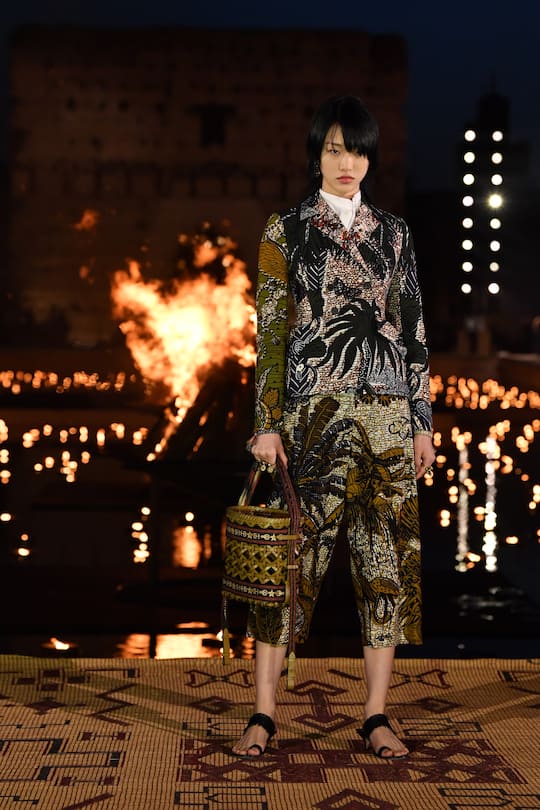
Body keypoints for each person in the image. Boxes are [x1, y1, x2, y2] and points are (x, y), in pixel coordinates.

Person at [232, 96, 435, 760]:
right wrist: (265, 423)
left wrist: (421, 422)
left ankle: (376, 716)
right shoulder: (284, 230)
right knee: (290, 567)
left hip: (384, 421)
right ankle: (264, 713)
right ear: (316, 154)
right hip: (307, 421)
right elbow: (269, 335)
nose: (348, 163)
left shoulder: (396, 234)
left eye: (358, 150)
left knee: (385, 568)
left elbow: (414, 336)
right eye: (334, 150)